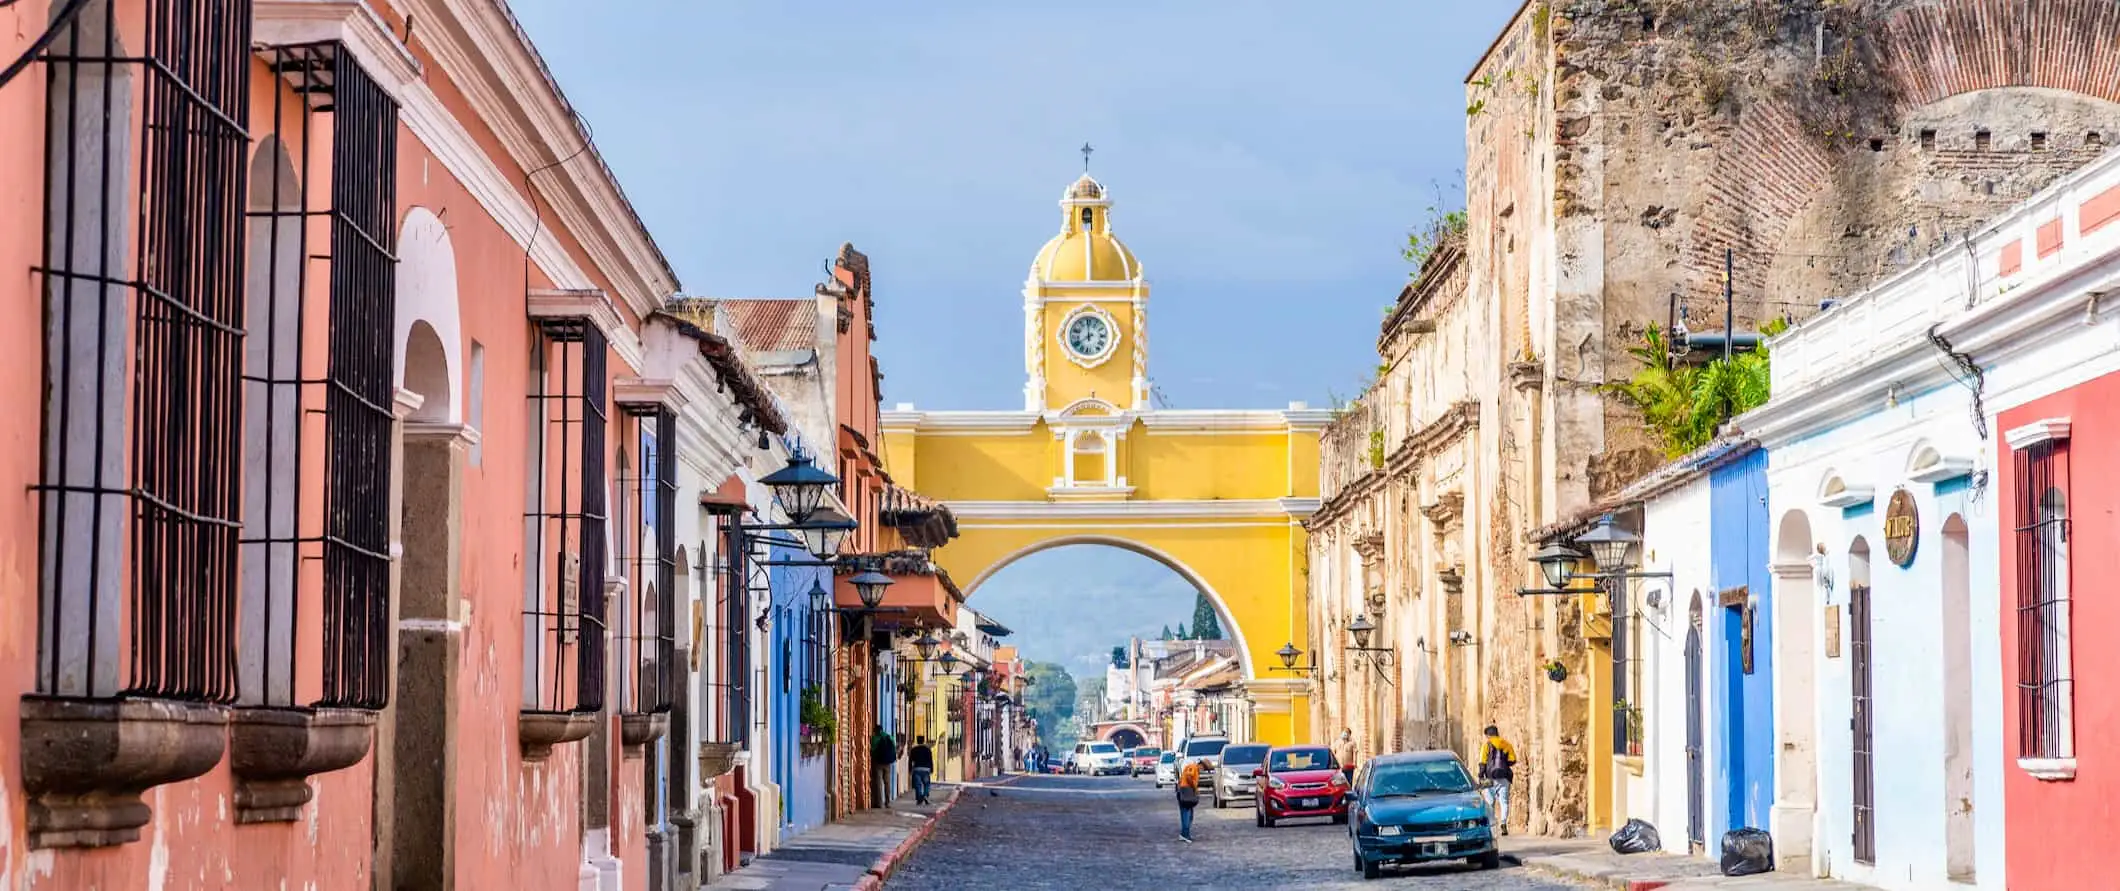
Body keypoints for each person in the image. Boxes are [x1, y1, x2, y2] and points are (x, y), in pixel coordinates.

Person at [1478, 724, 1517, 835]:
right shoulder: (1506, 744)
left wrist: (1480, 776)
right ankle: (1503, 823)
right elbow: (1513, 760)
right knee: (1504, 802)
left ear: (1489, 735)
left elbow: (1482, 762)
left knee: (1490, 803)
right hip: (1503, 777)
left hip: (1489, 777)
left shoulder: (1486, 746)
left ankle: (1491, 826)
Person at [1175, 756, 1203, 842]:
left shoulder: (1193, 767)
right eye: (1203, 768)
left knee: (1188, 814)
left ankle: (1184, 833)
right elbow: (1188, 776)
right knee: (1186, 814)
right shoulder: (1193, 767)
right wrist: (1194, 787)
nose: (1203, 770)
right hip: (1186, 792)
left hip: (1184, 791)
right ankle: (1185, 834)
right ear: (1201, 765)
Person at [870, 728, 898, 805]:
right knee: (887, 782)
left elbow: (872, 750)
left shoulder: (875, 738)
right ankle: (888, 801)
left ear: (875, 731)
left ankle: (879, 803)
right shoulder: (889, 737)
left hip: (878, 763)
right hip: (887, 763)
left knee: (879, 783)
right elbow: (894, 747)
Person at [908, 736, 935, 805]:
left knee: (918, 785)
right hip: (926, 769)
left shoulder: (914, 749)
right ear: (924, 741)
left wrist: (910, 769)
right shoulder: (927, 749)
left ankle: (919, 798)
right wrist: (932, 769)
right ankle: (925, 795)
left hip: (917, 769)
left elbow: (910, 760)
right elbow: (930, 760)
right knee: (926, 784)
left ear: (917, 741)